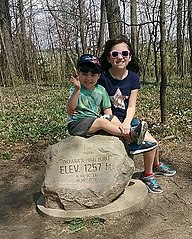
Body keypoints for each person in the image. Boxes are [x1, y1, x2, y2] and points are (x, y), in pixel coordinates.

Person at [98, 35, 176, 193]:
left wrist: (127, 123)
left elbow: (131, 106)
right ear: (108, 57)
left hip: (127, 118)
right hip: (109, 120)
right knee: (147, 141)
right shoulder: (102, 77)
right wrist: (120, 127)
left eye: (124, 54)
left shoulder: (133, 78)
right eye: (115, 54)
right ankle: (148, 173)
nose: (120, 57)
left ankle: (154, 167)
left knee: (153, 141)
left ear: (130, 56)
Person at [67, 53, 148, 145]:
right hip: (77, 124)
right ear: (78, 74)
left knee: (111, 118)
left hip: (94, 123)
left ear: (99, 76)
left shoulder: (101, 90)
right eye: (85, 74)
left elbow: (107, 110)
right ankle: (129, 135)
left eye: (93, 75)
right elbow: (71, 107)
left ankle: (127, 134)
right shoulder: (76, 89)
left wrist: (110, 119)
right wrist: (77, 90)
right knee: (102, 122)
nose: (89, 78)